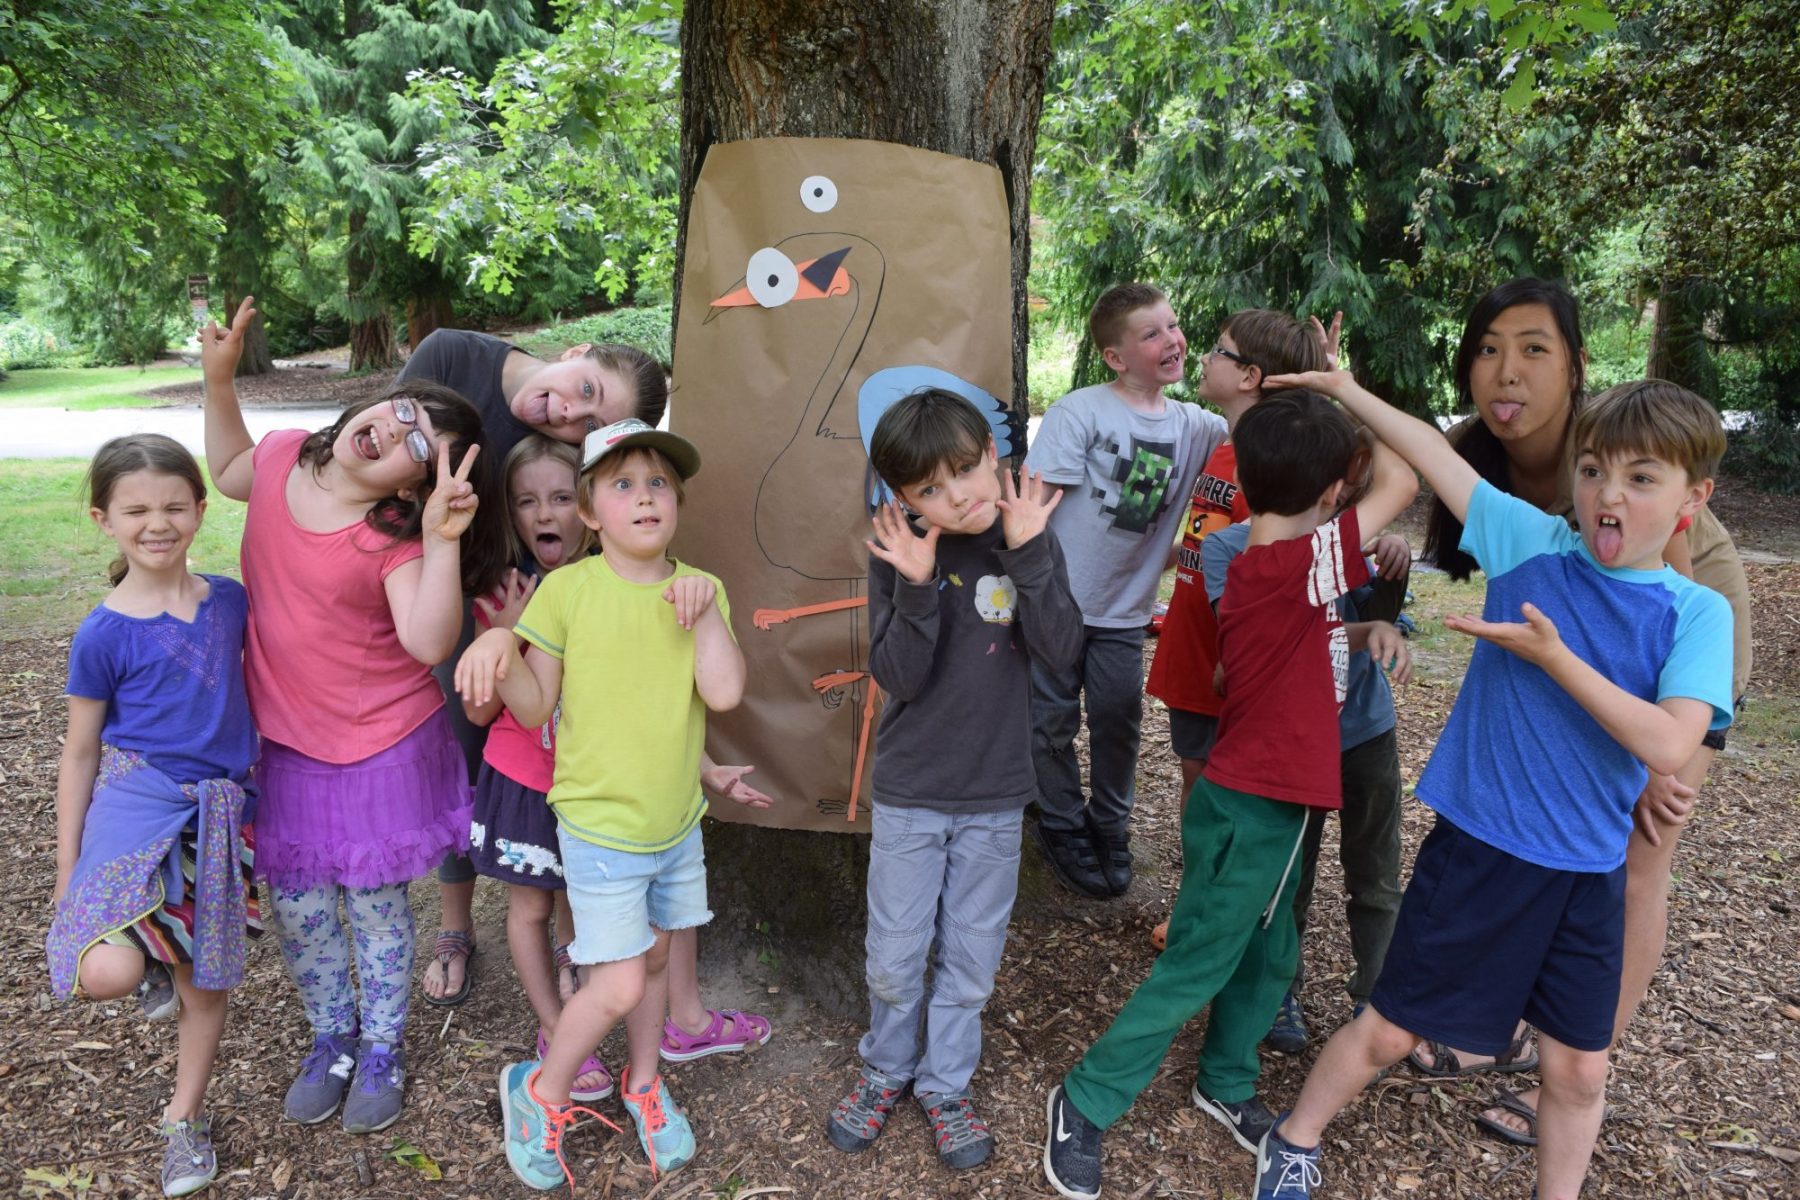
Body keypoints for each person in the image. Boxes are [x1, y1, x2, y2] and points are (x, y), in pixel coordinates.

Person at [1249, 373, 1734, 1200]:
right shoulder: (1532, 544)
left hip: (1589, 872)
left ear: (1695, 497)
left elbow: (1670, 737)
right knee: (1393, 1031)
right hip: (1484, 852)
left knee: (1579, 1066)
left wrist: (1554, 658)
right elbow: (1432, 450)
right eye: (1592, 472)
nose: (1607, 496)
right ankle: (1293, 1139)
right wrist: (1343, 386)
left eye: (1641, 478)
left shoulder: (1695, 614)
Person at [1044, 391, 1418, 1200]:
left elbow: (1299, 639)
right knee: (1201, 959)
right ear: (1333, 492)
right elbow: (1406, 478)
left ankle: (1226, 1078)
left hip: (1273, 805)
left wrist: (1364, 630)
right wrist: (1347, 390)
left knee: (1272, 948)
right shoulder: (1296, 564)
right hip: (1255, 803)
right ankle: (1085, 1100)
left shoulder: (1263, 565)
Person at [1413, 279, 1755, 1148]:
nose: (1507, 371)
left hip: (1673, 621)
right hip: (1588, 632)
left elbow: (1651, 607)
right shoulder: (1484, 452)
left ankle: (1579, 1060)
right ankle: (1496, 1019)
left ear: (1576, 367)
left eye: (1534, 349)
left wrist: (1644, 767)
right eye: (1488, 347)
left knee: (1637, 848)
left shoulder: (1621, 444)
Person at [199, 297, 493, 1134]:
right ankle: (331, 1034)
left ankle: (382, 1046)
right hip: (284, 743)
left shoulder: (391, 540)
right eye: (400, 412)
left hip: (377, 746)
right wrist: (218, 381)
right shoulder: (286, 454)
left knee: (371, 904)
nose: (394, 432)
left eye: (417, 447)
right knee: (298, 905)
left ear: (414, 483)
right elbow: (227, 471)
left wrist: (440, 544)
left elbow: (431, 637)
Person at [455, 418, 746, 1188]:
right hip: (600, 825)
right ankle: (541, 1091)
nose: (644, 497)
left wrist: (707, 612)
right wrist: (498, 647)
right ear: (590, 512)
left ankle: (644, 1083)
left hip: (675, 823)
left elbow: (722, 690)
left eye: (658, 484)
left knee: (653, 960)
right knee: (616, 981)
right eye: (622, 484)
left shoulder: (701, 589)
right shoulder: (568, 590)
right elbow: (531, 704)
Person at [824, 389, 1083, 1170]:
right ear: (900, 498)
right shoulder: (900, 553)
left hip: (996, 795)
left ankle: (944, 1084)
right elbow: (898, 676)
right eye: (928, 490)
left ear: (994, 456)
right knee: (895, 955)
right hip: (910, 794)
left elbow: (1062, 652)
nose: (958, 496)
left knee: (970, 960)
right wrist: (914, 582)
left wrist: (1031, 553)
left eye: (966, 471)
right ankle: (885, 1069)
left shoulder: (1026, 538)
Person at [398, 328, 667, 1009]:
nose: (569, 416)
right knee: (460, 755)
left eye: (590, 426)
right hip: (457, 597)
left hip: (543, 594)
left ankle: (567, 931)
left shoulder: (576, 556)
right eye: (586, 392)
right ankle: (455, 927)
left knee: (559, 765)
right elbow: (391, 474)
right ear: (577, 352)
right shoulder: (451, 359)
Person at [47, 435, 261, 1197]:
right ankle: (147, 960)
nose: (157, 522)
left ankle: (184, 1118)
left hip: (219, 812)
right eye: (136, 509)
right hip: (137, 805)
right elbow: (79, 755)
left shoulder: (231, 599)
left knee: (203, 978)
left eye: (174, 505)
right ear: (105, 519)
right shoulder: (103, 634)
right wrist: (68, 870)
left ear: (201, 509)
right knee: (102, 970)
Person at [1025, 283, 1228, 898]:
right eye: (1151, 333)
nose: (1172, 341)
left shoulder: (1197, 427)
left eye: (1173, 326)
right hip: (1056, 603)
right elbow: (1032, 510)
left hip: (1122, 611)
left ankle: (1109, 823)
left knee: (1118, 715)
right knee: (1049, 721)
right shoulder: (1080, 412)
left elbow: (1263, 425)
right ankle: (1059, 822)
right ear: (1116, 357)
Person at [1202, 505, 1409, 1057]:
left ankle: (1377, 1001)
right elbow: (1257, 644)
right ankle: (1279, 994)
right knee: (1289, 879)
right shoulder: (1229, 548)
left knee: (1377, 875)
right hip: (1291, 742)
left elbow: (1378, 618)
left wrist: (1394, 570)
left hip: (1364, 731)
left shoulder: (1344, 539)